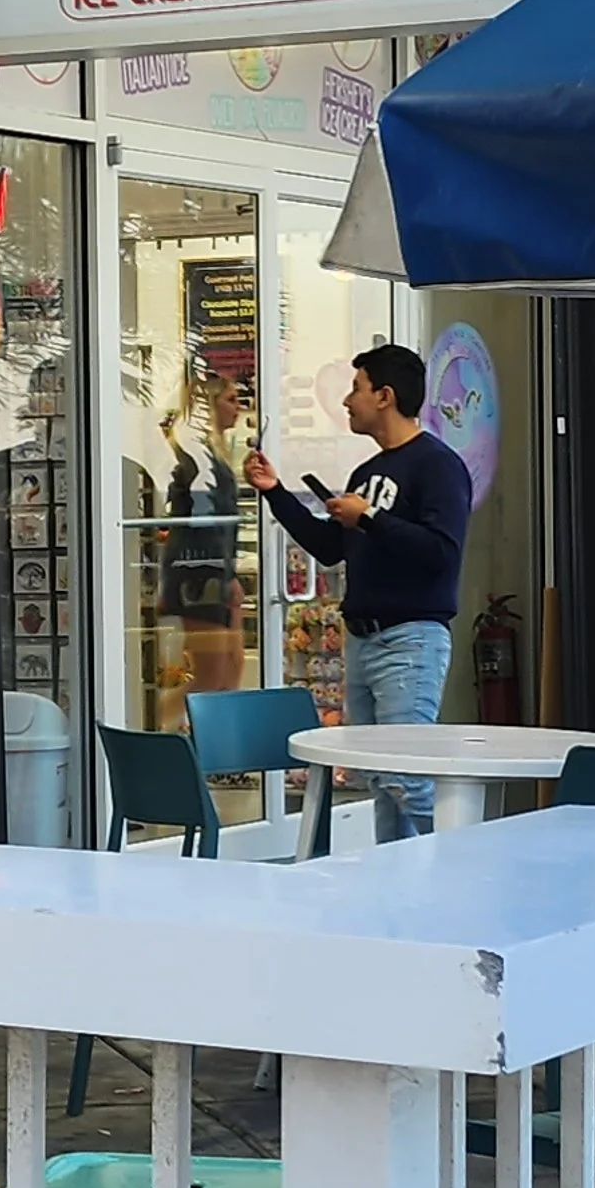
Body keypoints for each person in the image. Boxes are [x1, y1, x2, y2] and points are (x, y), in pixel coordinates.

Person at [247, 342, 473, 842]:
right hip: (361, 640)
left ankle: (472, 855)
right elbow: (331, 548)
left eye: (357, 389)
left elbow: (442, 552)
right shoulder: (366, 473)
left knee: (404, 774)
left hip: (410, 641)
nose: (348, 401)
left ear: (385, 396)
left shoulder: (437, 466)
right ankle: (397, 884)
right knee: (378, 777)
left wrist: (370, 517)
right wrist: (275, 493)